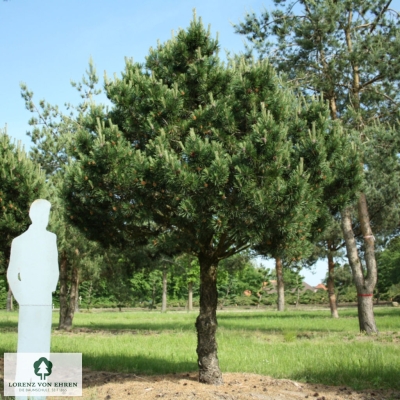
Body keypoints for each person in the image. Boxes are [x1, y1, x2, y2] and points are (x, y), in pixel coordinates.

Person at [7, 199, 59, 399]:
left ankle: (39, 394)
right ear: (32, 215)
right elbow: (12, 273)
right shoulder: (19, 241)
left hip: (44, 298)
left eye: (47, 215)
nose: (45, 219)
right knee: (26, 344)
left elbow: (54, 267)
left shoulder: (50, 238)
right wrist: (21, 296)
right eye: (42, 214)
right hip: (28, 298)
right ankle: (21, 394)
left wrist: (48, 290)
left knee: (42, 344)